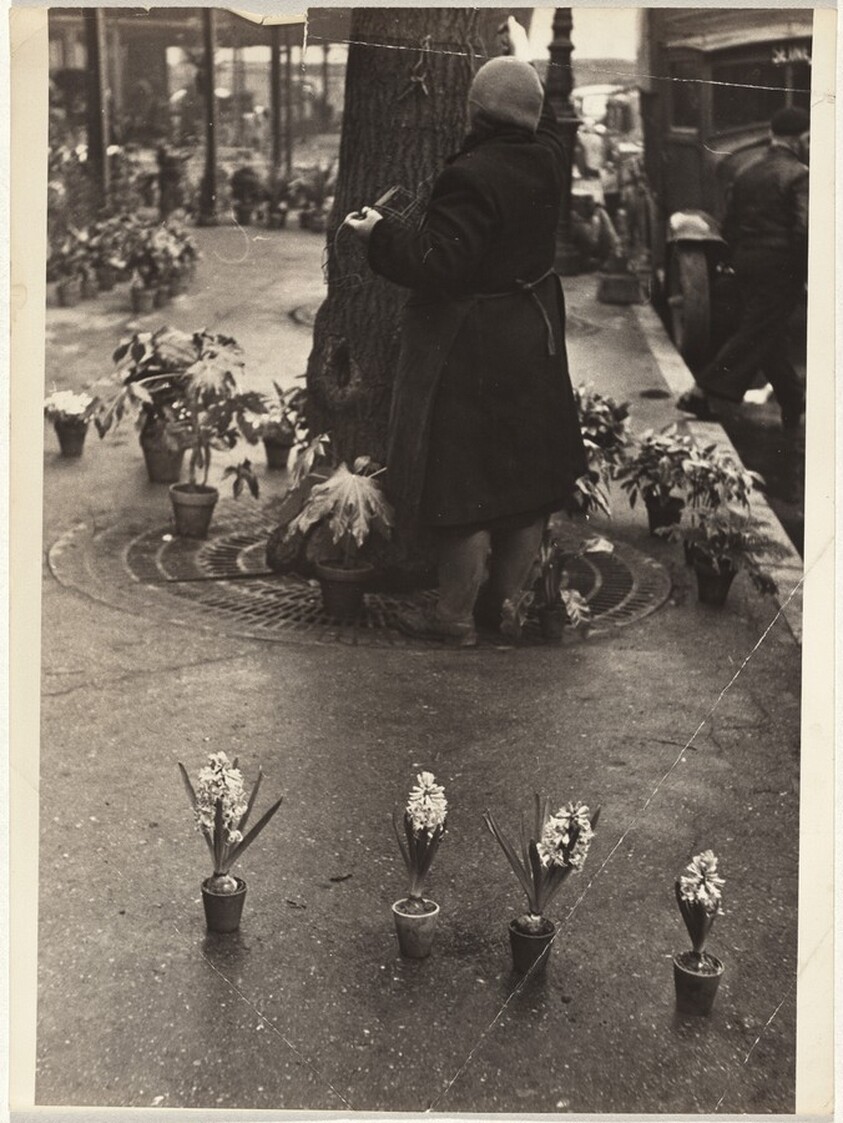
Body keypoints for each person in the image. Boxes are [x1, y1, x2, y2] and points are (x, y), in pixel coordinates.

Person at [345, 17, 587, 647]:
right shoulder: (550, 158)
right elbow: (553, 119)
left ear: (476, 113)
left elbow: (441, 265)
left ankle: (452, 619)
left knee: (466, 487)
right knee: (525, 486)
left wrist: (381, 236)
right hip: (533, 335)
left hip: (475, 341)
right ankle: (501, 611)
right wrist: (528, 59)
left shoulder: (470, 176)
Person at [677, 105, 810, 431]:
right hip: (781, 267)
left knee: (768, 335)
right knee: (755, 332)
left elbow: (730, 224)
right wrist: (804, 272)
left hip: (747, 262)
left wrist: (735, 260)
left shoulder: (746, 172)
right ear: (799, 140)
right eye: (808, 139)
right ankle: (701, 391)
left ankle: (793, 404)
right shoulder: (800, 175)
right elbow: (805, 229)